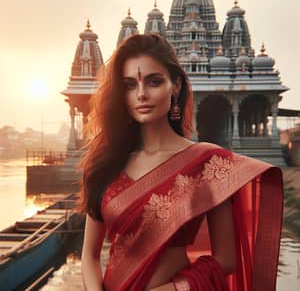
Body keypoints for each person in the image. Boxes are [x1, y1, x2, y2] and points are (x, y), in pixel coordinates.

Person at [79, 33, 283, 291]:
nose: (141, 94)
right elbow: (90, 255)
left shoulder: (208, 164)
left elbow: (226, 260)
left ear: (175, 85)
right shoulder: (105, 164)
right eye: (130, 85)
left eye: (154, 82)